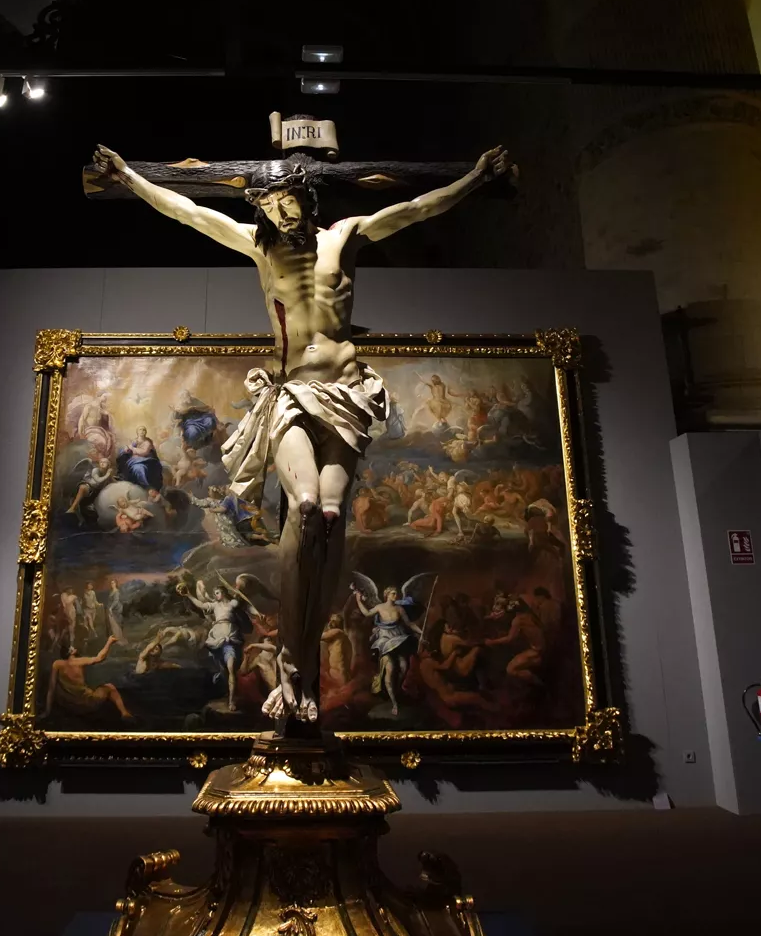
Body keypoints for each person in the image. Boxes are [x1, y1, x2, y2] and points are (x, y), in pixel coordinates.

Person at [92, 140, 512, 725]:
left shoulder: (345, 236)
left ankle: (304, 663)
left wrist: (476, 177)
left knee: (333, 518)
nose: (281, 214)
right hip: (293, 391)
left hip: (348, 394)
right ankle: (291, 661)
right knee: (307, 506)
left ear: (307, 199)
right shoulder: (258, 246)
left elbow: (417, 208)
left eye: (288, 202)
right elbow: (188, 211)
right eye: (271, 206)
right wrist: (129, 176)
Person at [179, 577, 260, 713]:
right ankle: (228, 693)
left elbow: (246, 605)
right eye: (214, 593)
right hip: (216, 639)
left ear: (223, 592)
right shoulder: (215, 605)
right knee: (224, 670)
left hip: (230, 637)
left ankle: (231, 701)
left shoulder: (232, 604)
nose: (215, 595)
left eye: (217, 592)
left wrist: (257, 613)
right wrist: (188, 595)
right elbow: (201, 605)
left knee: (230, 668)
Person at [353, 583, 422, 717]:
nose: (396, 596)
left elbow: (409, 623)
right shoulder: (380, 607)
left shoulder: (399, 609)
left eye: (396, 593)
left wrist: (421, 632)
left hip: (398, 639)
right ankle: (394, 702)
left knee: (404, 667)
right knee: (390, 670)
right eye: (393, 593)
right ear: (387, 595)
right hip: (385, 641)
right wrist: (358, 600)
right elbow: (367, 613)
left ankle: (396, 689)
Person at [43, 636, 135, 720]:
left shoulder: (57, 664)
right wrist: (109, 642)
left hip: (70, 704)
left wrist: (47, 711)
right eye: (73, 648)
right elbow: (100, 658)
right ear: (71, 652)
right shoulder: (79, 661)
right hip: (86, 703)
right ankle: (124, 713)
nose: (75, 648)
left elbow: (51, 689)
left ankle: (49, 711)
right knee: (110, 687)